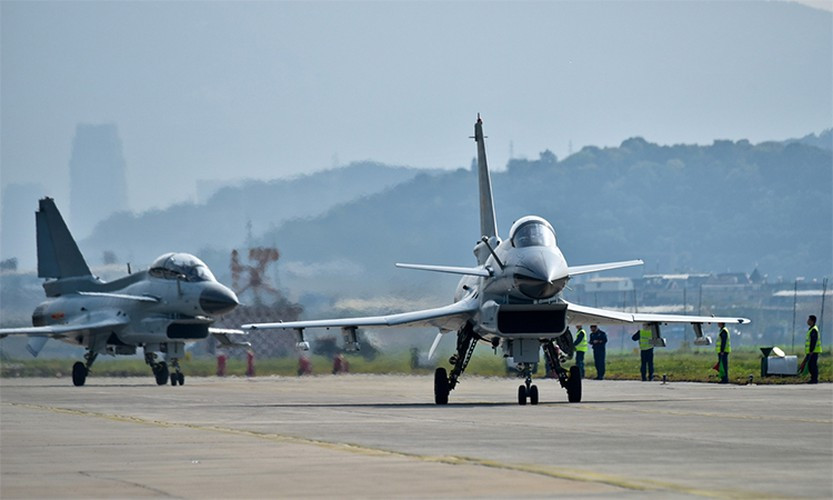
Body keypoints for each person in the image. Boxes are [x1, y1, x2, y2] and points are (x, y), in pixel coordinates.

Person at [805, 315, 822, 384]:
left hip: (814, 351)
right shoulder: (811, 329)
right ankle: (813, 378)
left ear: (812, 321)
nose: (807, 321)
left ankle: (814, 379)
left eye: (809, 320)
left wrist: (811, 350)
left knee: (813, 365)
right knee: (810, 365)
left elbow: (813, 341)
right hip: (811, 351)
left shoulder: (814, 330)